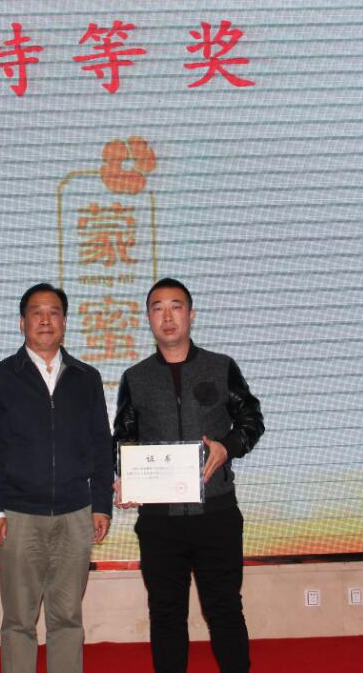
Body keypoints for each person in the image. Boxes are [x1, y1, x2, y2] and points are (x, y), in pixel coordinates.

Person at [113, 278, 264, 673]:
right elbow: (124, 438)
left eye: (176, 306)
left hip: (216, 513)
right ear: (148, 318)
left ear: (191, 315)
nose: (167, 316)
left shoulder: (221, 366)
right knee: (165, 614)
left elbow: (251, 420)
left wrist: (227, 446)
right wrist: (124, 476)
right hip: (160, 521)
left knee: (224, 609)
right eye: (157, 308)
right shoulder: (135, 377)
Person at [0, 283, 114, 673]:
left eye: (54, 312)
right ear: (22, 322)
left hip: (75, 516)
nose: (45, 320)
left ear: (65, 322)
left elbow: (102, 447)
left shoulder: (86, 377)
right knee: (19, 621)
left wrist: (101, 505)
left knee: (68, 618)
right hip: (17, 516)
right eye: (36, 312)